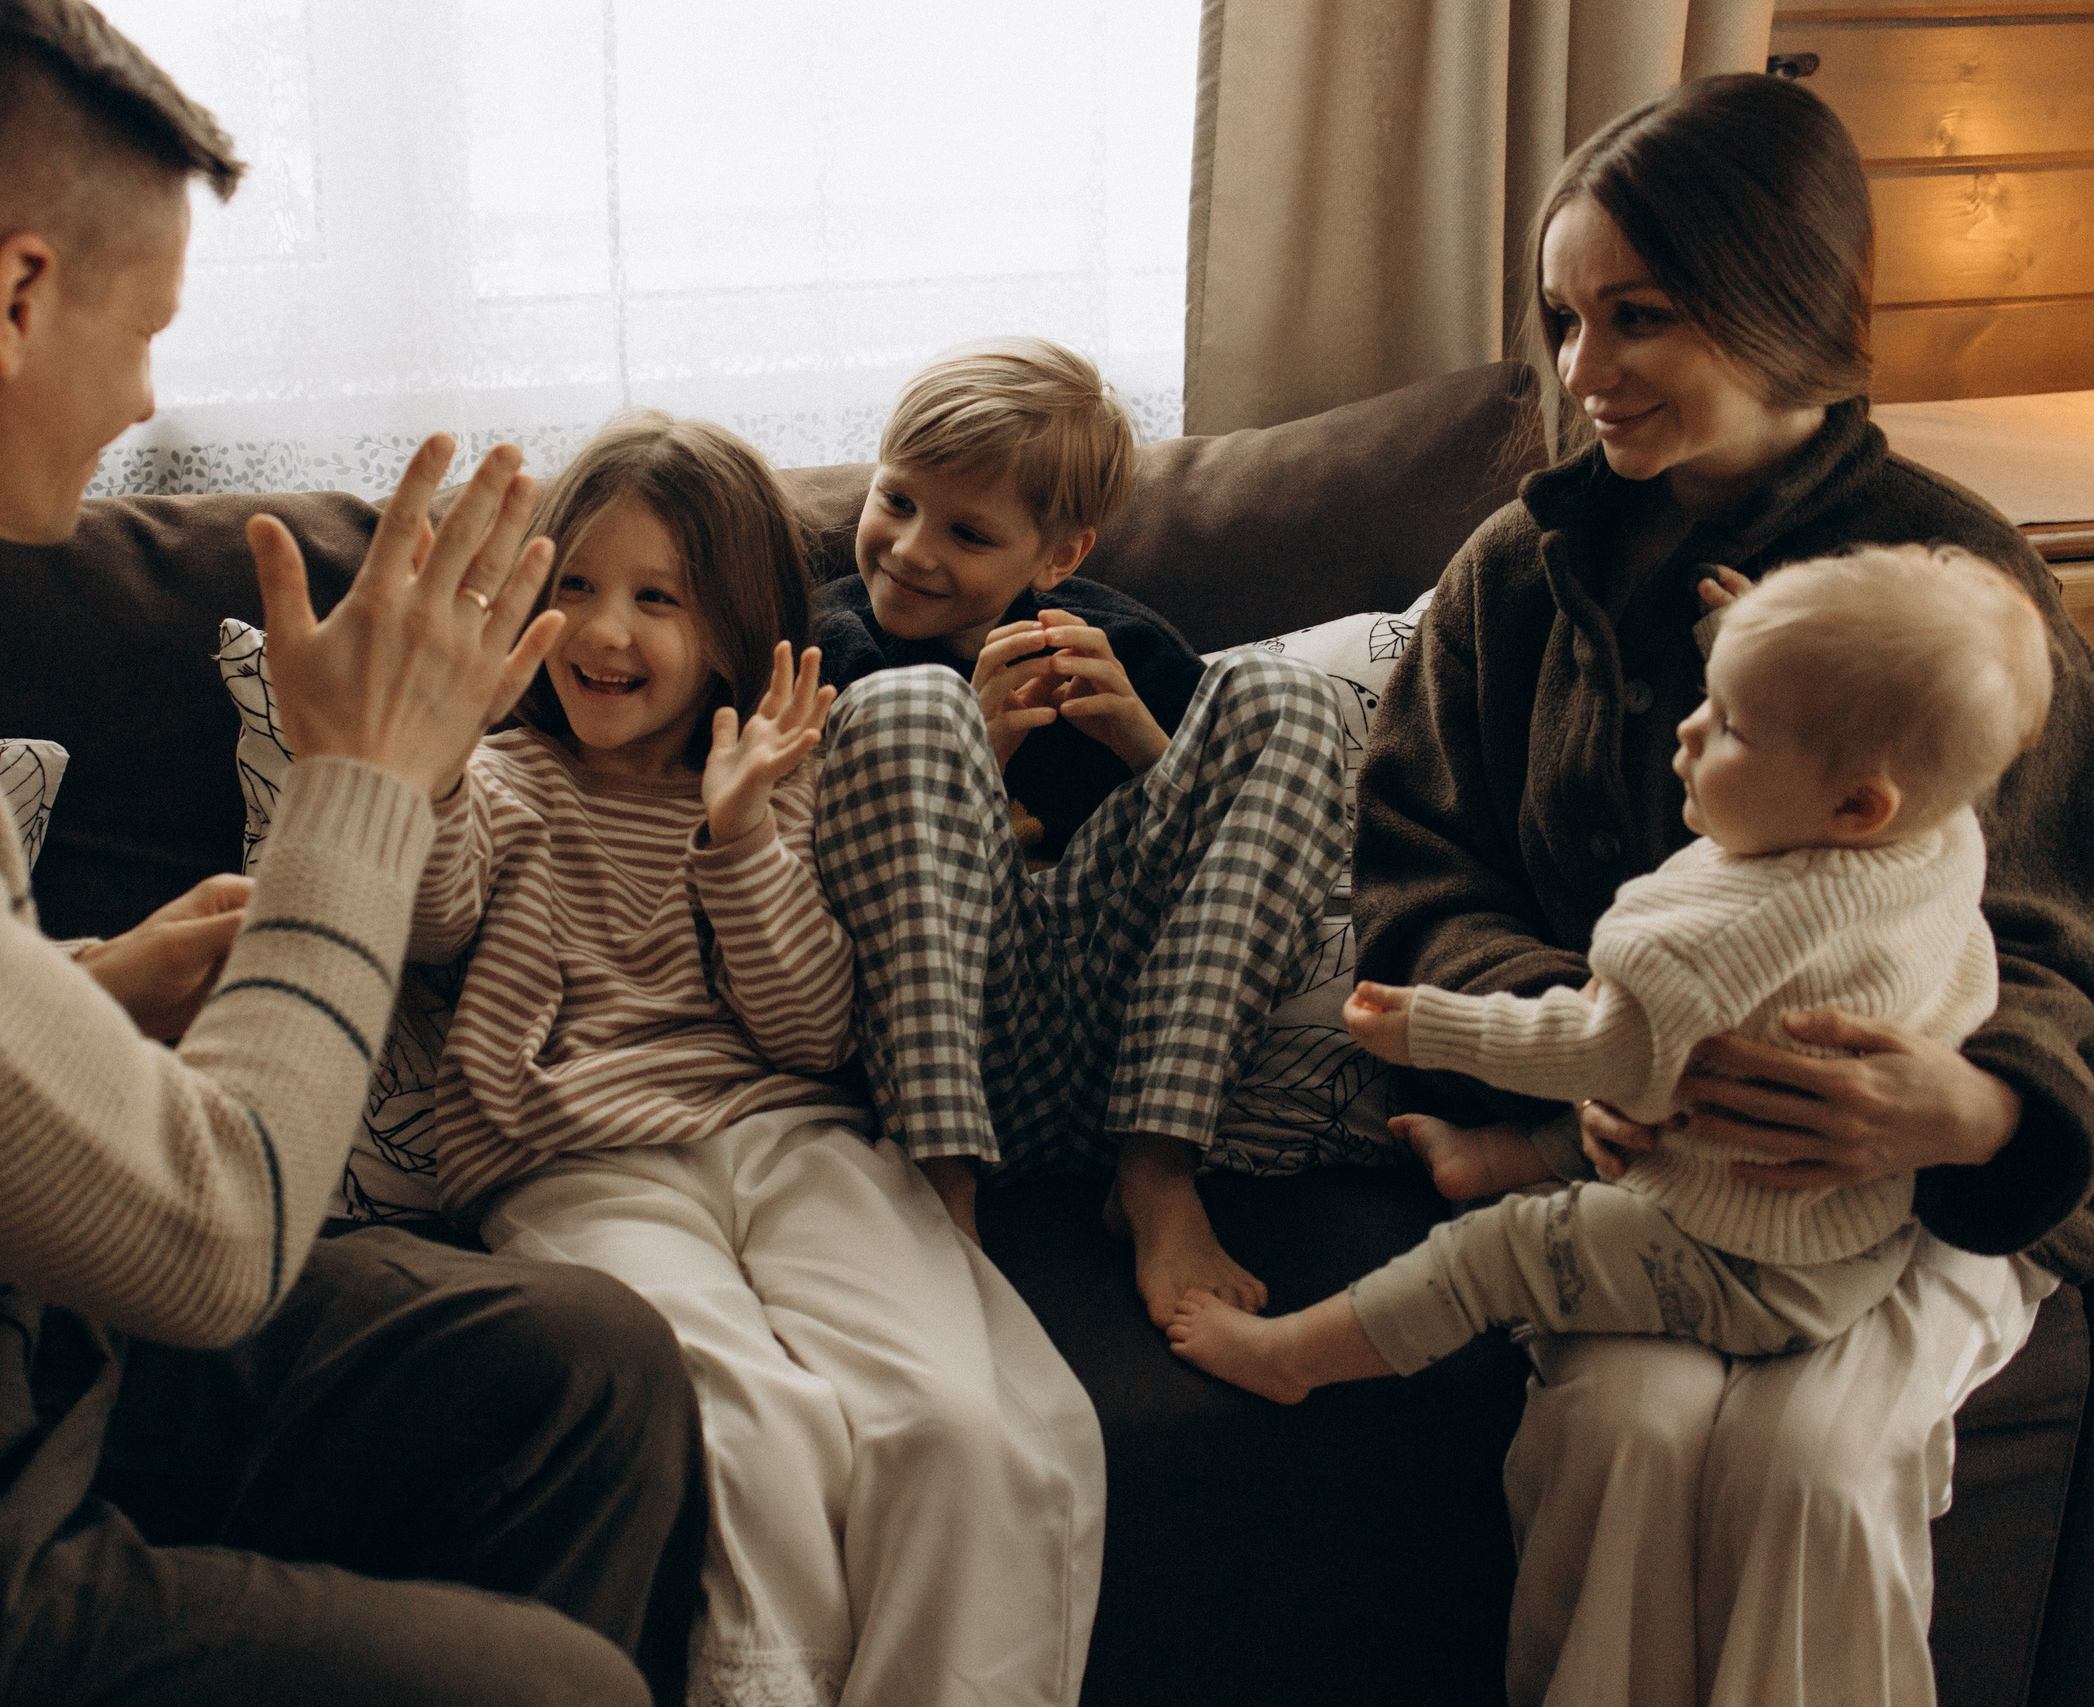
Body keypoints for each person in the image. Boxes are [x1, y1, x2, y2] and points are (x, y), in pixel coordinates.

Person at [0, 5, 709, 1705]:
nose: (151, 398)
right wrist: (360, 788)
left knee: (586, 1361)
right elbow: (221, 1236)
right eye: (147, 328)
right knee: (556, 1690)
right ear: (14, 299)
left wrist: (84, 987)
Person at [1351, 72, 2094, 1707]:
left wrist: (1961, 1110)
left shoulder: (1957, 591)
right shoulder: (1512, 579)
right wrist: (1598, 1049)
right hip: (1640, 1167)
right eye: (1566, 317)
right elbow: (1410, 878)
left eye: (1642, 315)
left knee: (1815, 1473)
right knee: (1620, 1432)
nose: (1583, 372)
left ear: (1794, 303)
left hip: (1901, 1168)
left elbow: (2056, 936)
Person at [409, 414, 1106, 1707]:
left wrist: (737, 841)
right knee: (755, 1426)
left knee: (961, 1424)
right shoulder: (506, 781)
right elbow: (433, 910)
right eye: (576, 590)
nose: (608, 632)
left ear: (729, 628)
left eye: (656, 599)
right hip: (582, 1158)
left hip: (792, 1135)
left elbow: (809, 1028)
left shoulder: (777, 779)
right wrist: (436, 754)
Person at [1168, 544, 2052, 1400]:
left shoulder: (1716, 940)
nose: (1690, 728)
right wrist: (1756, 647)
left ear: (1856, 804)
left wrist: (1425, 1024)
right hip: (1850, 1219)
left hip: (1752, 1264)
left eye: (1732, 724)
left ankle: (1290, 1358)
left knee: (1498, 1253)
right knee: (1679, 1087)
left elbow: (1590, 1049)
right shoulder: (1937, 837)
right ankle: (1496, 1156)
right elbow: (1843, 734)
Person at [810, 337, 1351, 1325]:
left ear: (1056, 557)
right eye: (894, 501)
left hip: (1135, 1040)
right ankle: (942, 1191)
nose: (911, 548)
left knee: (1288, 699)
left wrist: (1146, 745)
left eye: (968, 535)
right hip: (956, 1037)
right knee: (907, 709)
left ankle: (1156, 1174)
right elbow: (805, 869)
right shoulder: (830, 646)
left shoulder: (1118, 643)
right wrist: (970, 753)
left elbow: (1238, 852)